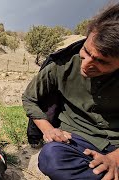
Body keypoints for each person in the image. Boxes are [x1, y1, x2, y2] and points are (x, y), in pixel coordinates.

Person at [22, 4, 119, 180]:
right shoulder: (61, 64)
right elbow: (30, 98)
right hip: (75, 140)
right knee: (51, 157)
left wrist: (114, 159)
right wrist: (49, 130)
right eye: (86, 51)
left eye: (101, 61)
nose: (85, 65)